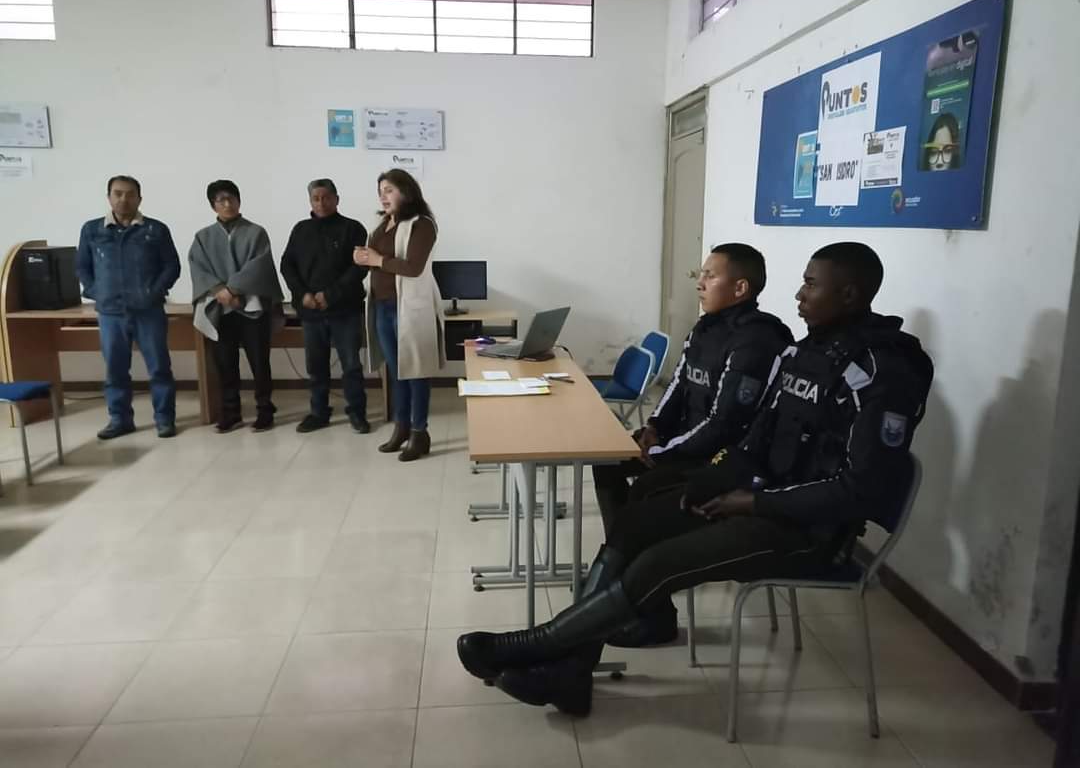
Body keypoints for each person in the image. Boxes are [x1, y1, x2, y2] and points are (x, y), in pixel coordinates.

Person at [457, 242, 934, 718]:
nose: (798, 294)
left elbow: (859, 489)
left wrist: (751, 503)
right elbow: (755, 441)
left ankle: (543, 646)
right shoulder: (807, 352)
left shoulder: (884, 371)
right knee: (639, 523)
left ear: (848, 294)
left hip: (808, 531)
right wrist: (712, 483)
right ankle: (572, 672)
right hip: (759, 498)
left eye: (811, 284)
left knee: (658, 562)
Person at [593, 243, 793, 646]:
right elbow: (678, 386)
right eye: (700, 274)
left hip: (717, 459)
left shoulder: (756, 340)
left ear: (740, 288)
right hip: (684, 445)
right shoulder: (705, 328)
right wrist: (653, 428)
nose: (699, 283)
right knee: (607, 461)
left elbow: (723, 423)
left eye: (709, 275)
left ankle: (651, 609)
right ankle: (622, 572)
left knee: (648, 489)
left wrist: (662, 452)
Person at [76, 175, 181, 440]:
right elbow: (82, 267)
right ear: (109, 197)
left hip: (148, 311)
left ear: (139, 198)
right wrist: (97, 292)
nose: (124, 199)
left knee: (159, 367)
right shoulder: (92, 230)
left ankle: (164, 419)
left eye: (130, 194)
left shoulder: (155, 229)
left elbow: (172, 266)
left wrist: (154, 292)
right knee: (115, 369)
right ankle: (120, 419)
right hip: (111, 313)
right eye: (118, 193)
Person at [354, 169, 446, 462]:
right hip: (381, 305)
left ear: (406, 192)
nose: (383, 196)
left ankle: (420, 432)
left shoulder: (422, 225)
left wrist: (378, 259)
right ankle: (401, 427)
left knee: (416, 372)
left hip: (410, 308)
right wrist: (363, 259)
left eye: (389, 190)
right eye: (380, 191)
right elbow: (377, 262)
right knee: (397, 373)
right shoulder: (382, 225)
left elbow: (413, 268)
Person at [189, 180, 285, 433]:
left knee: (259, 362)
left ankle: (265, 410)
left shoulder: (256, 232)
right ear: (213, 205)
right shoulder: (203, 237)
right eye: (221, 200)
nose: (227, 204)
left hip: (252, 307)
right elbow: (199, 268)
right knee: (225, 363)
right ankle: (231, 412)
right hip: (220, 309)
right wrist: (219, 291)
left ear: (239, 201)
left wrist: (232, 290)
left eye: (231, 198)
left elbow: (259, 265)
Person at [280, 179, 370, 434]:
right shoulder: (301, 229)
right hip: (311, 311)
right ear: (310, 201)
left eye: (326, 197)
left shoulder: (353, 228)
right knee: (316, 367)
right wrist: (303, 295)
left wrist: (329, 295)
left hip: (345, 310)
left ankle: (357, 413)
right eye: (315, 198)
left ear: (336, 199)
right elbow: (287, 265)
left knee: (351, 365)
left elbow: (360, 267)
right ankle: (319, 413)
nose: (321, 203)